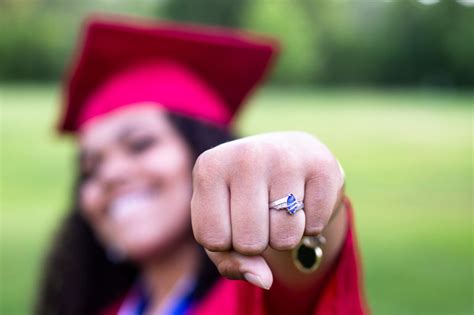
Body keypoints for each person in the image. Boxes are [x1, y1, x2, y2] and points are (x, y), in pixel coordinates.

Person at [36, 15, 368, 315]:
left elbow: (306, 275)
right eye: (90, 168)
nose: (109, 174)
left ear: (205, 152)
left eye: (140, 145)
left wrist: (303, 168)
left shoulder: (256, 297)